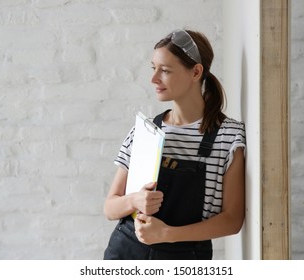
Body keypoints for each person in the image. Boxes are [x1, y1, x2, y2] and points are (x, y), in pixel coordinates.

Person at [103, 29, 246, 260]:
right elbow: (110, 208)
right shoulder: (145, 131)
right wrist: (134, 200)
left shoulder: (228, 137)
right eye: (154, 68)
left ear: (196, 72)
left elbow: (232, 220)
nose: (154, 79)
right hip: (125, 251)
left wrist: (167, 234)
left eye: (166, 71)